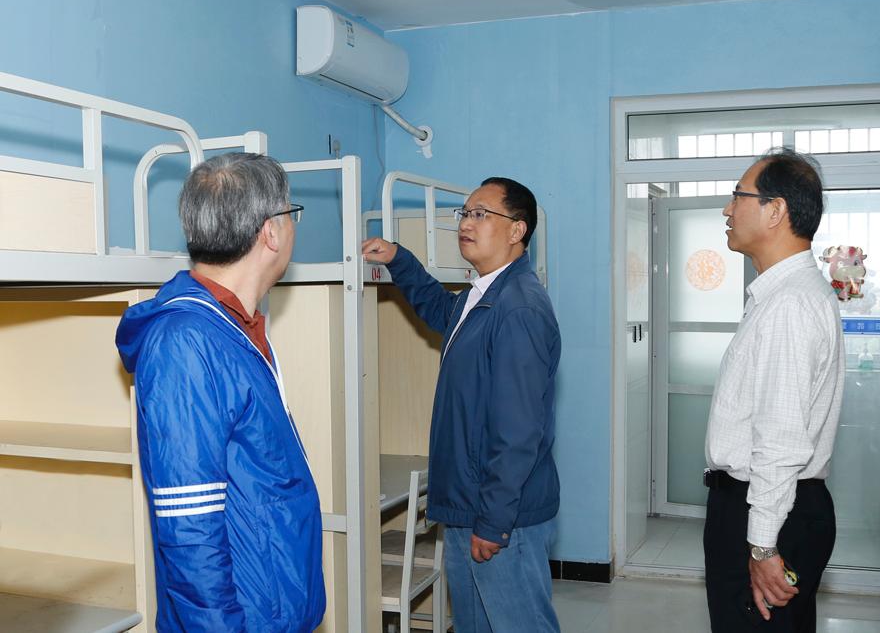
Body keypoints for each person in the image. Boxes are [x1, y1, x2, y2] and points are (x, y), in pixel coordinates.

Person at [116, 153, 325, 632]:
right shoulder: (186, 344)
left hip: (269, 607)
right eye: (291, 214)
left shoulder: (232, 327)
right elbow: (189, 526)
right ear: (271, 232)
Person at [362, 176, 561, 633]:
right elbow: (438, 307)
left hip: (500, 516)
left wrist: (493, 522)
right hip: (468, 507)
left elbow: (518, 432)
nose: (466, 224)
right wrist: (399, 259)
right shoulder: (483, 295)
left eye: (481, 214)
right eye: (465, 214)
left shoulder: (519, 308)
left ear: (517, 230)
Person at [702, 147, 845, 632]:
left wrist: (762, 546)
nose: (727, 209)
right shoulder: (783, 295)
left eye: (738, 196)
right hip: (774, 505)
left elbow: (781, 439)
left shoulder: (789, 305)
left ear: (775, 210)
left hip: (768, 512)